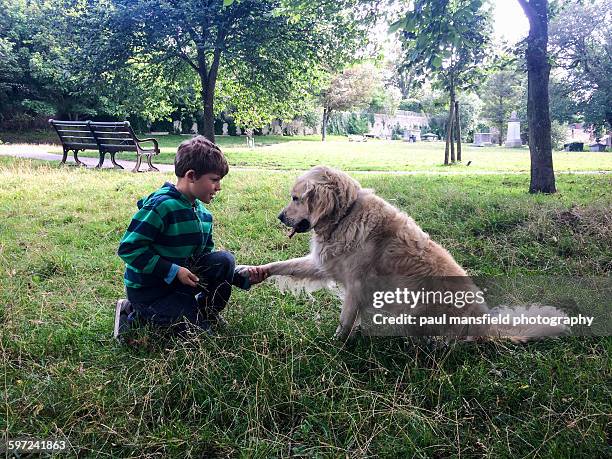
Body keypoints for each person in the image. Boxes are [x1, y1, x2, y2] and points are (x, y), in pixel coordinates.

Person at [114, 135, 268, 340]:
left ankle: (203, 313)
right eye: (214, 180)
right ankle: (131, 313)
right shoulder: (161, 206)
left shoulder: (204, 215)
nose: (219, 187)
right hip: (151, 291)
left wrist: (241, 277)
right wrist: (173, 270)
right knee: (199, 336)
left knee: (224, 260)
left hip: (181, 288)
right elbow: (129, 249)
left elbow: (204, 263)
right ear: (192, 175)